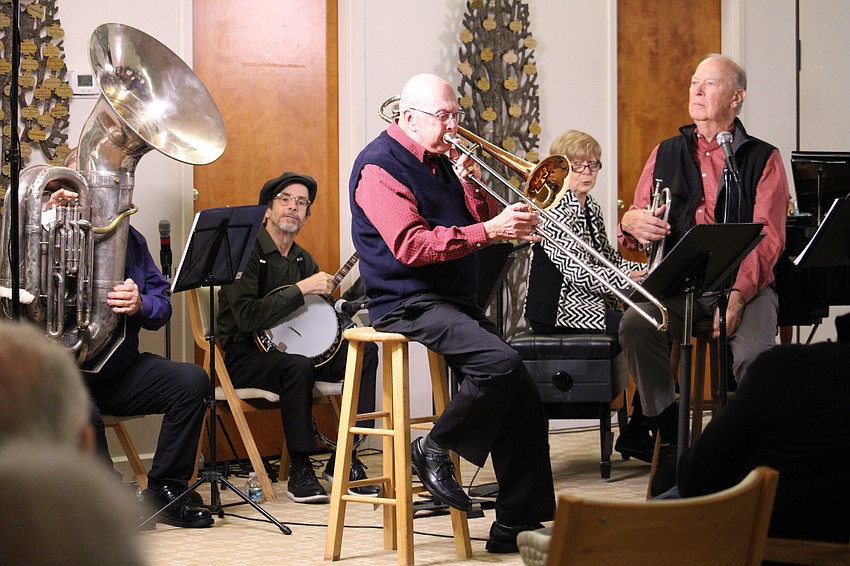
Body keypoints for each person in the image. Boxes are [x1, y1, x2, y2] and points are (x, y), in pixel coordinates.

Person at [349, 73, 555, 553]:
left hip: (448, 299)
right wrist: (490, 230)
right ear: (408, 118)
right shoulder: (379, 166)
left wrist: (481, 198)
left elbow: (468, 224)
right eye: (443, 117)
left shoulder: (440, 162)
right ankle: (434, 447)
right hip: (405, 300)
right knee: (498, 364)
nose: (453, 126)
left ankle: (515, 526)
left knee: (521, 388)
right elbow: (411, 245)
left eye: (455, 114)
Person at [617, 54, 789, 496]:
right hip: (680, 284)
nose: (695, 91)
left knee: (755, 357)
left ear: (737, 97)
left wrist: (736, 297)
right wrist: (631, 223)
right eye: (694, 82)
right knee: (635, 326)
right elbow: (636, 223)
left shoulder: (762, 158)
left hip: (745, 288)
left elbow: (768, 239)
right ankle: (672, 435)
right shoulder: (665, 152)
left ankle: (748, 453)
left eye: (709, 84)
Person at [47, 188, 214, 529]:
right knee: (83, 410)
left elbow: (161, 304)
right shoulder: (35, 237)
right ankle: (105, 500)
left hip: (118, 371)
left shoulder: (130, 240)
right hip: (62, 378)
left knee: (191, 381)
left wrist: (141, 303)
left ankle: (165, 488)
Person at [217, 172, 379, 504]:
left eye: (301, 203)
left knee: (366, 353)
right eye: (285, 199)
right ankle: (301, 469)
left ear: (306, 216)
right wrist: (302, 288)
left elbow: (317, 318)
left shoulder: (303, 259)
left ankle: (344, 458)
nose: (293, 207)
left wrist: (342, 308)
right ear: (267, 210)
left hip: (295, 355)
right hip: (244, 354)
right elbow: (247, 316)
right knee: (298, 368)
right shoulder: (245, 251)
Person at [523, 129, 653, 462]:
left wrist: (644, 270)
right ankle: (641, 428)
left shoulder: (590, 207)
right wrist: (626, 279)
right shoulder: (554, 210)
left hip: (585, 300)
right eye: (578, 165)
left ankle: (640, 425)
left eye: (593, 165)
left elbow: (606, 258)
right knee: (638, 326)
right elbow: (579, 274)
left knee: (651, 322)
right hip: (558, 308)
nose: (588, 172)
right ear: (561, 169)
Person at [675, 340, 850, 547]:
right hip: (827, 545)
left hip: (746, 544)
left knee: (648, 519)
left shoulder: (788, 367)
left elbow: (694, 476)